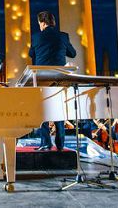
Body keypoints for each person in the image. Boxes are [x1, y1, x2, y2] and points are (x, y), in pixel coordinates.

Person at [28, 11, 76, 151]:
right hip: (59, 78)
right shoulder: (63, 36)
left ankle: (46, 142)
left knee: (41, 110)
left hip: (41, 78)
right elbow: (72, 53)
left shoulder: (36, 37)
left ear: (42, 22)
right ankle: (60, 144)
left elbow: (32, 54)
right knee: (58, 109)